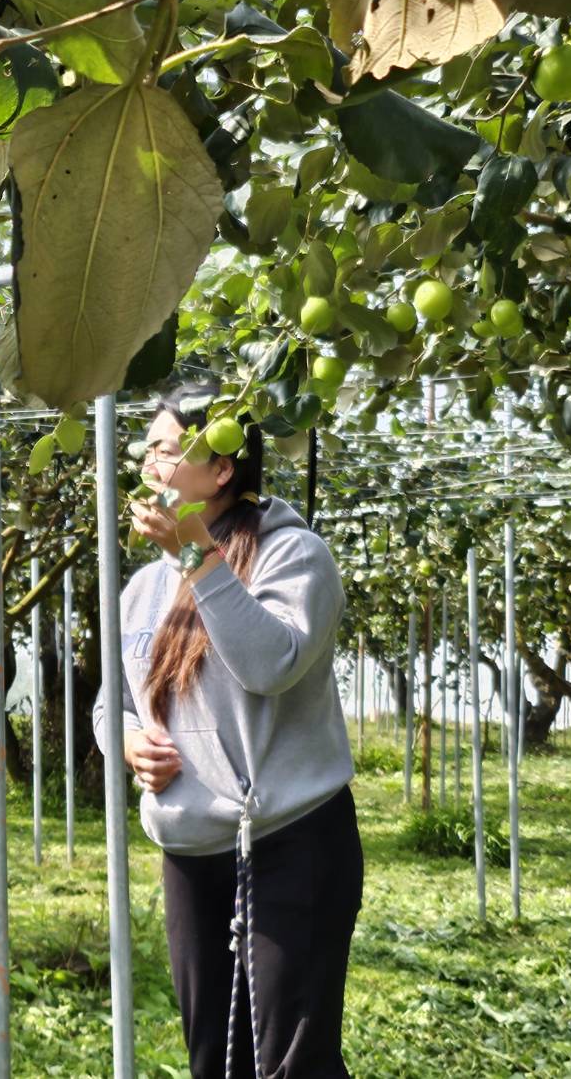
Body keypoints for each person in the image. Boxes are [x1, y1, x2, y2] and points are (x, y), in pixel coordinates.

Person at [93, 383, 362, 1079]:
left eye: (163, 448)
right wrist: (125, 741)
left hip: (288, 843)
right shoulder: (144, 588)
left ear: (219, 468)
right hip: (191, 850)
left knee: (289, 1065)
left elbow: (267, 664)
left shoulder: (293, 556)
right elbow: (110, 703)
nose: (148, 463)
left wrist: (197, 557)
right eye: (146, 449)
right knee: (212, 1057)